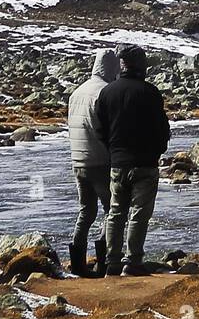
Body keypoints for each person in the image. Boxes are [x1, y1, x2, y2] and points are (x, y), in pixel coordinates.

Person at [96, 45, 170, 276]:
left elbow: (99, 128)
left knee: (116, 212)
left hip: (118, 162)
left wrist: (112, 150)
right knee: (139, 213)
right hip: (146, 163)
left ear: (122, 65)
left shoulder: (108, 92)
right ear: (141, 66)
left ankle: (112, 262)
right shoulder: (150, 92)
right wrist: (158, 152)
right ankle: (133, 261)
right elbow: (162, 128)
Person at [66, 49, 120, 276]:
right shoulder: (104, 93)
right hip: (100, 161)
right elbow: (107, 129)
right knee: (111, 210)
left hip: (78, 160)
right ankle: (103, 261)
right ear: (112, 68)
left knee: (86, 211)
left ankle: (77, 262)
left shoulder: (76, 93)